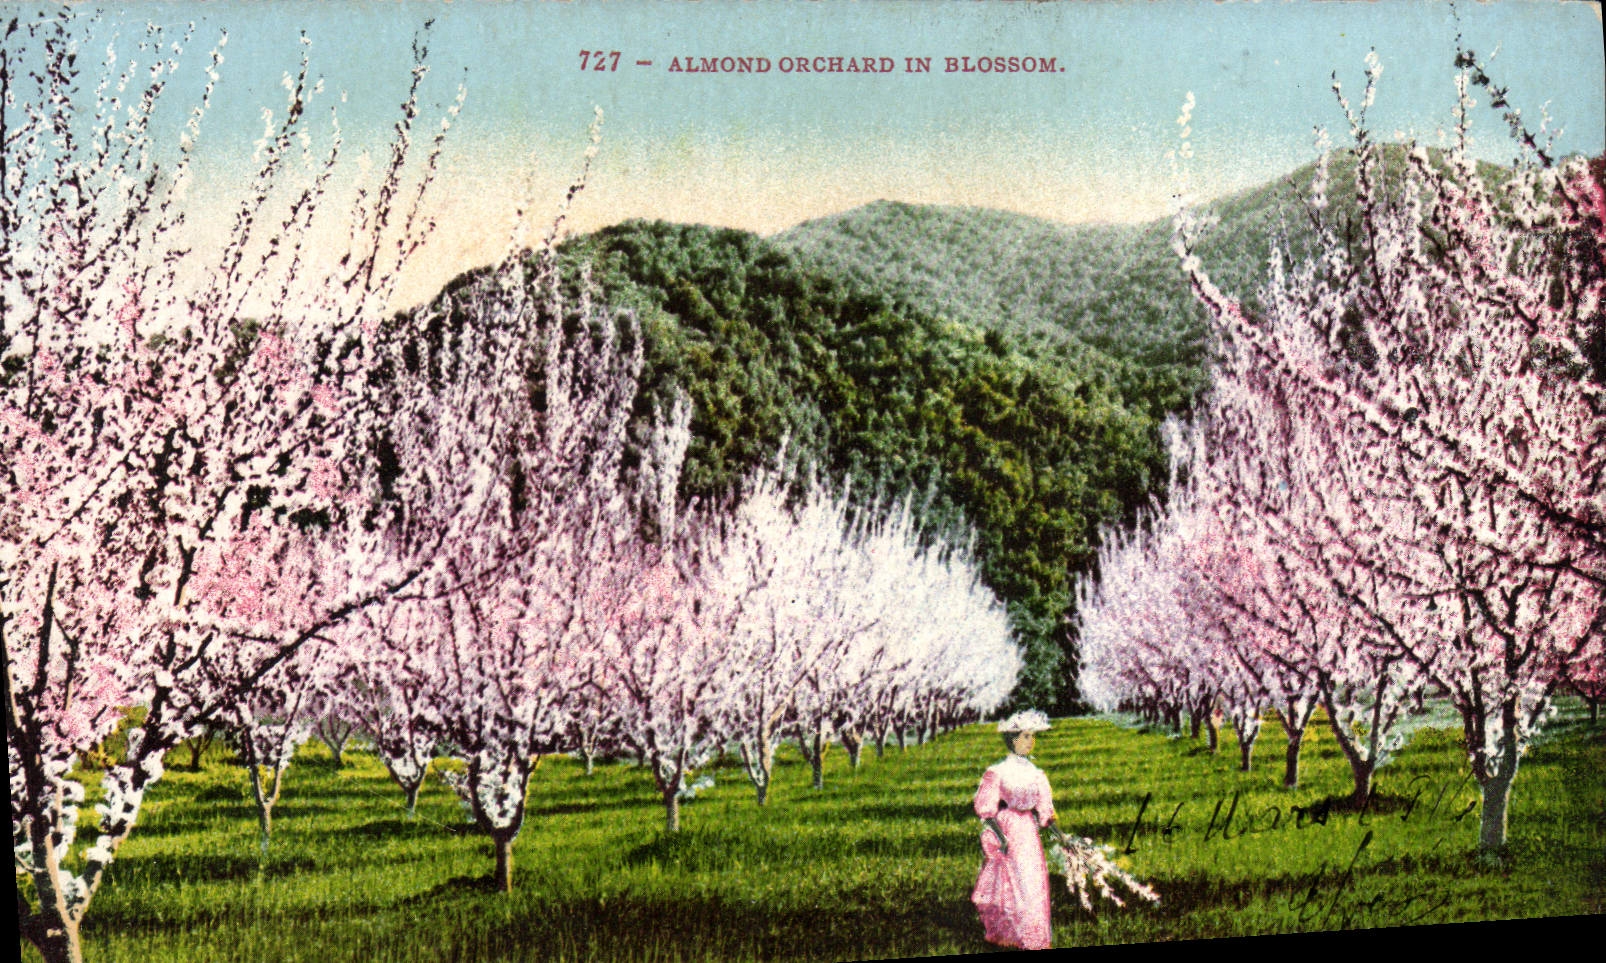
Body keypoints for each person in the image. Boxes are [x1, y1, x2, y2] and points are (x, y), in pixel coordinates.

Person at [971, 709, 1062, 950]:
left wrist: (1062, 837)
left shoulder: (1036, 773)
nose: (1030, 742)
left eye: (1032, 737)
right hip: (1008, 826)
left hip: (1028, 832)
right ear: (1012, 740)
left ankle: (1034, 936)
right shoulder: (998, 772)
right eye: (1025, 737)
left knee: (1032, 882)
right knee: (1012, 881)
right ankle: (1010, 932)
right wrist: (1001, 838)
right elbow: (986, 810)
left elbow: (1045, 811)